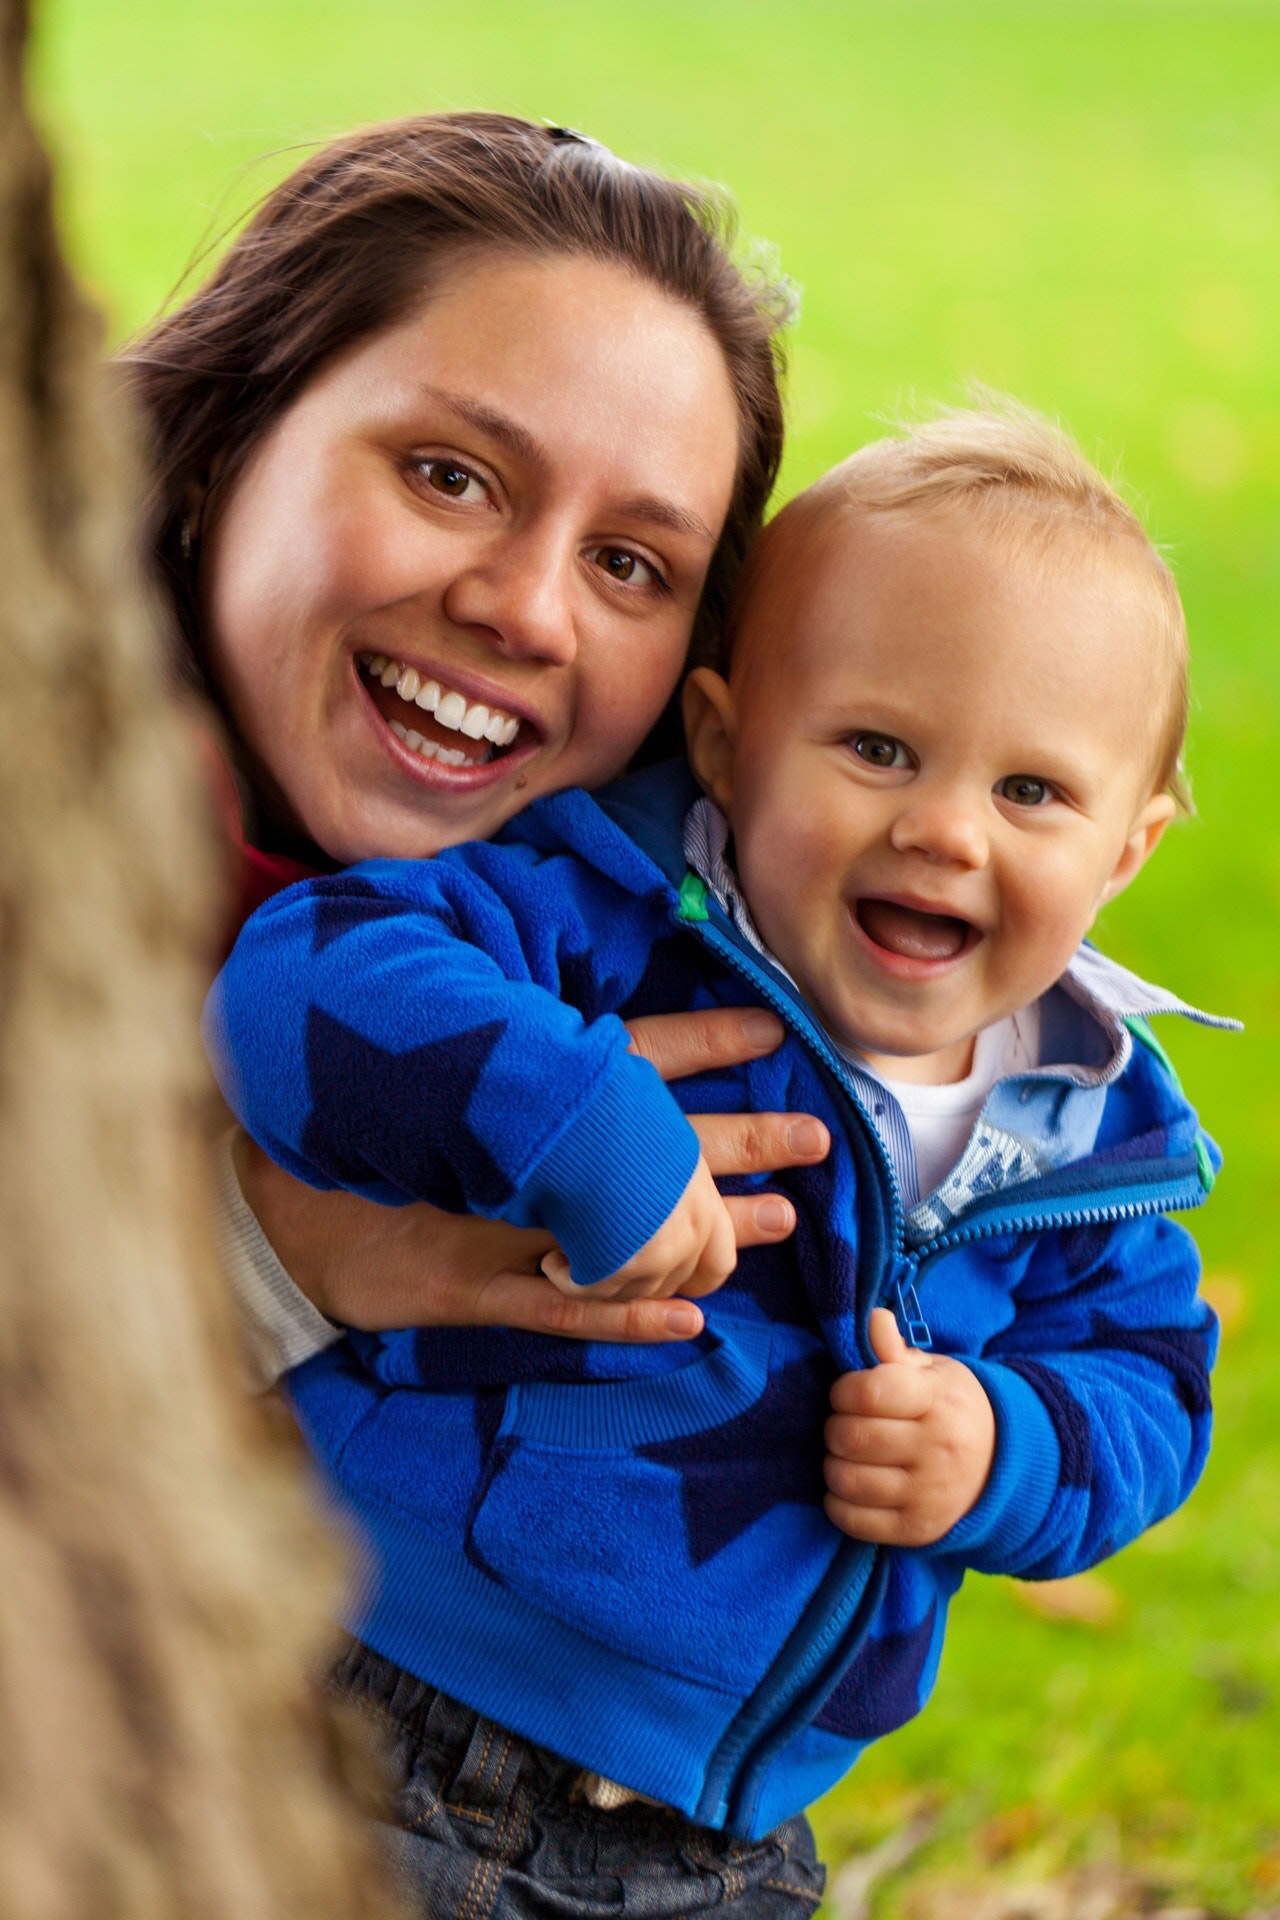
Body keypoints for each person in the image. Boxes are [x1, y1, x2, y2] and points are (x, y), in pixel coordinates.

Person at [209, 404, 1233, 1904]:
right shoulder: (608, 928)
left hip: (717, 1847)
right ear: (724, 741)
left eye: (1031, 793)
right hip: (364, 1701)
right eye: (878, 749)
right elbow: (306, 977)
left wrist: (1003, 1449)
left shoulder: (1091, 1129)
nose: (946, 832)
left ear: (1126, 851)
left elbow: (1155, 1388)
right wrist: (571, 1111)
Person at [126, 111, 839, 1912]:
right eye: (450, 474)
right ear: (227, 446)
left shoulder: (636, 940)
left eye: (632, 566)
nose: (521, 607)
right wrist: (268, 1251)